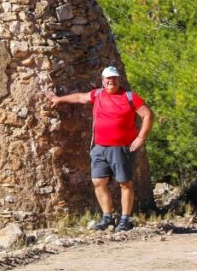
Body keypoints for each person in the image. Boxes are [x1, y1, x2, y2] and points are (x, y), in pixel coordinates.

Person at [45, 65, 154, 232]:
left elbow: (147, 114)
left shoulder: (129, 97)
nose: (111, 81)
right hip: (99, 147)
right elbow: (81, 97)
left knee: (125, 183)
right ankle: (107, 217)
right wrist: (60, 99)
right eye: (108, 78)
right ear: (103, 81)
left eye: (114, 78)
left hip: (121, 147)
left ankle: (125, 219)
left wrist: (141, 137)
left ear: (119, 80)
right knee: (98, 182)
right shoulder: (98, 94)